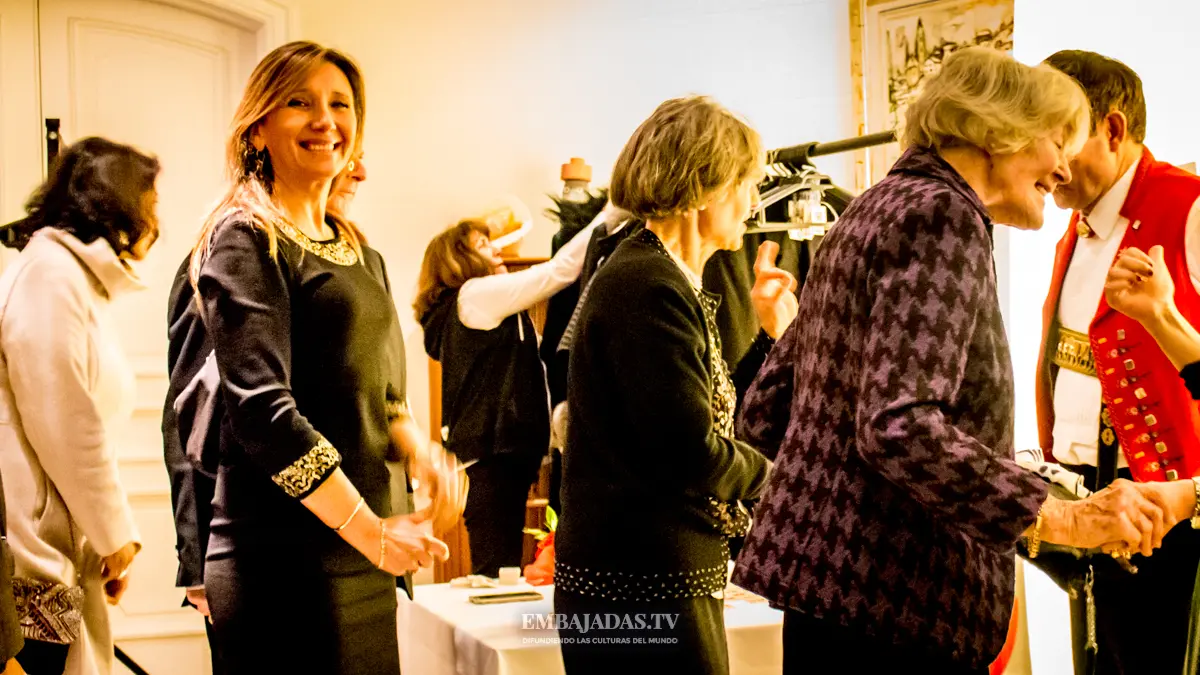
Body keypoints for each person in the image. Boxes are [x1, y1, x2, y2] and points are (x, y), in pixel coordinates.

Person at [733, 48, 1174, 675]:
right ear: (996, 131)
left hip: (828, 605)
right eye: (1057, 142)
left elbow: (764, 411)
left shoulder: (872, 205)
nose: (1063, 167)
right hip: (898, 610)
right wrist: (1060, 518)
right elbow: (899, 427)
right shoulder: (944, 216)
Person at [189, 41, 461, 675]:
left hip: (364, 555)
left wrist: (422, 453)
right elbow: (264, 411)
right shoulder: (245, 239)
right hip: (281, 563)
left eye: (340, 104)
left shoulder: (361, 252)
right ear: (258, 127)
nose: (325, 120)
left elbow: (383, 395)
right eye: (299, 102)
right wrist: (372, 532)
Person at [553, 95, 794, 675]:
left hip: (647, 578)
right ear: (705, 185)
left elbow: (704, 413)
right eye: (746, 184)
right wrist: (787, 479)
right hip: (641, 587)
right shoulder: (648, 284)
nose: (754, 203)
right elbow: (692, 452)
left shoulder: (660, 274)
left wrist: (767, 337)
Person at [1035, 49, 1200, 675]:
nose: (1047, 159)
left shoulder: (1189, 205)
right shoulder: (1077, 224)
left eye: (1060, 137)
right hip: (1089, 501)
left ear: (1112, 129)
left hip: (1169, 513)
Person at [0, 137, 157, 674]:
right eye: (151, 202)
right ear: (118, 202)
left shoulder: (67, 277)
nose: (156, 221)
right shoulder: (50, 275)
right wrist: (115, 537)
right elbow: (66, 422)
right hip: (35, 562)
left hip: (56, 550)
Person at [414, 212, 604, 577]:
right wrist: (612, 214)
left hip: (495, 456)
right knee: (495, 574)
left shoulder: (482, 309)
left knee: (498, 569)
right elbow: (558, 271)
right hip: (493, 455)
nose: (498, 250)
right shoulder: (475, 295)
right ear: (459, 260)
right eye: (484, 245)